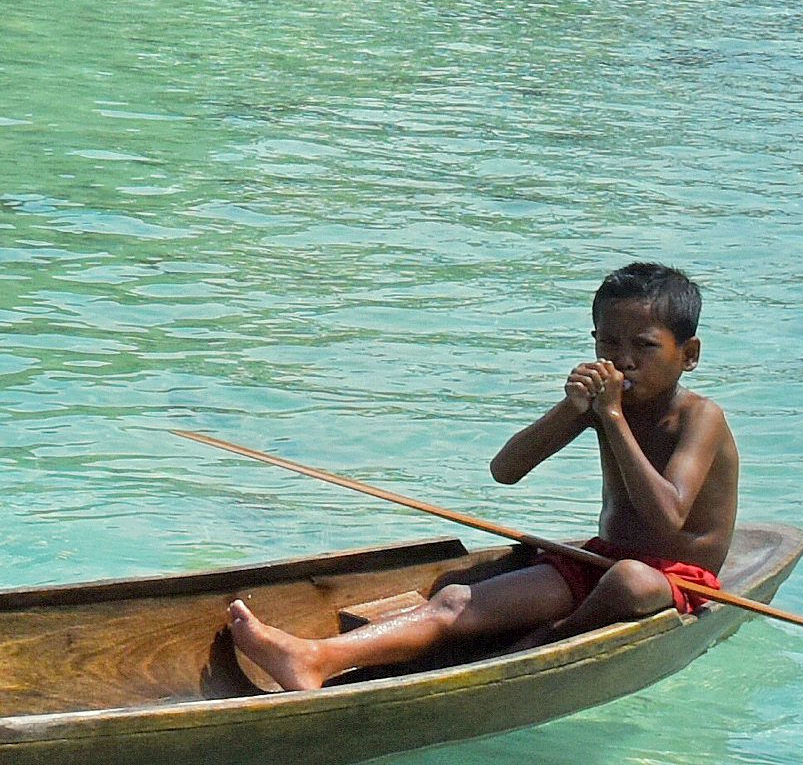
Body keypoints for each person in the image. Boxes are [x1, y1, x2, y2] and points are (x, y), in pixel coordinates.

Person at [225, 263, 739, 694]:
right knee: (453, 597)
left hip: (674, 579)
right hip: (597, 561)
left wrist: (612, 419)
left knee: (628, 581)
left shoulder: (700, 419)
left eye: (644, 346)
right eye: (608, 341)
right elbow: (506, 471)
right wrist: (573, 409)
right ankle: (317, 657)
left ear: (688, 355)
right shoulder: (605, 407)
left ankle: (546, 641)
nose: (622, 359)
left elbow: (669, 518)